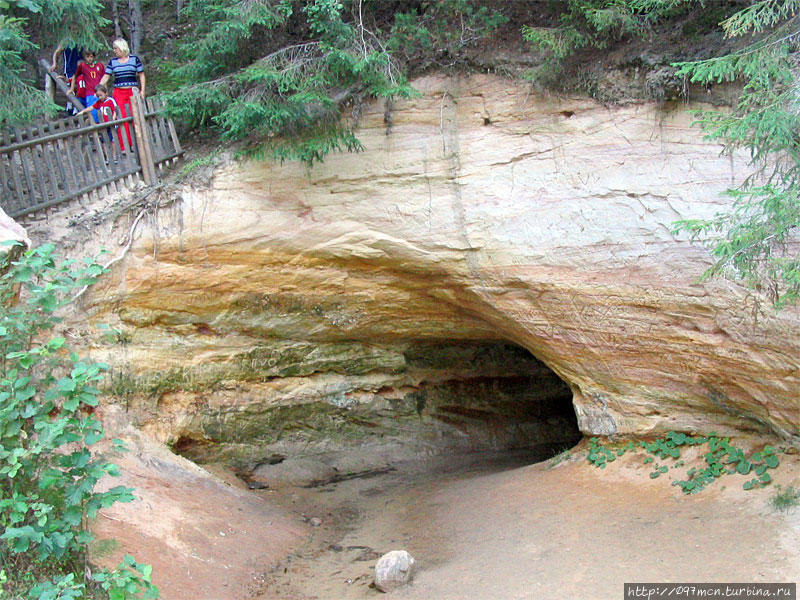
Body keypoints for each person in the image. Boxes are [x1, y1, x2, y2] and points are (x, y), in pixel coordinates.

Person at [100, 38, 145, 152]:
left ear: (122, 48)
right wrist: (99, 87)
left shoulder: (134, 60)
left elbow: (141, 75)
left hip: (132, 91)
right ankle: (124, 146)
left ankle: (137, 144)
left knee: (134, 117)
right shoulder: (113, 62)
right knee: (121, 118)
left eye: (116, 48)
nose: (114, 51)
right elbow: (106, 76)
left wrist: (142, 91)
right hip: (119, 92)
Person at [77, 84, 123, 157]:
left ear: (106, 93)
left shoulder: (110, 100)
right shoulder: (99, 102)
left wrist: (113, 120)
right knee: (104, 141)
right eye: (98, 96)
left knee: (112, 140)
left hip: (111, 124)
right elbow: (91, 107)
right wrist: (83, 111)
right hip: (103, 124)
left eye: (101, 95)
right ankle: (108, 156)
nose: (100, 97)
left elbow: (115, 110)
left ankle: (114, 156)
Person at [69, 50, 104, 122]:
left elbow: (104, 78)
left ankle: (101, 127)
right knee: (93, 111)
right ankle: (94, 127)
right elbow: (75, 76)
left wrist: (105, 91)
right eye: (87, 57)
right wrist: (72, 89)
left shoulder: (100, 65)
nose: (90, 59)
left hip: (100, 92)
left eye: (91, 56)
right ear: (85, 57)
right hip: (90, 93)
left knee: (102, 110)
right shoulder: (82, 66)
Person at [49, 45, 84, 115]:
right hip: (69, 68)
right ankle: (70, 106)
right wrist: (55, 63)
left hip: (80, 66)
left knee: (79, 86)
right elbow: (57, 52)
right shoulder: (65, 41)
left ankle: (76, 107)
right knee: (71, 87)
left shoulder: (81, 39)